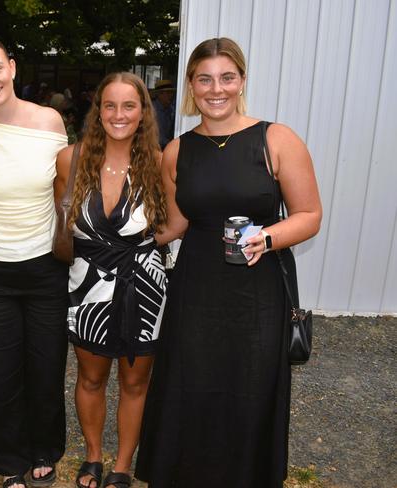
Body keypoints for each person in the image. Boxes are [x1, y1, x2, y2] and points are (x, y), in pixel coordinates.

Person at [134, 37, 322, 488]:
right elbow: (175, 223)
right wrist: (118, 236)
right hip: (196, 286)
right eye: (204, 79)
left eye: (226, 78)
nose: (215, 89)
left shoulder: (276, 138)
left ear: (241, 82)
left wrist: (268, 236)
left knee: (251, 386)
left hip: (258, 288)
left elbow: (310, 215)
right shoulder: (177, 150)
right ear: (191, 86)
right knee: (191, 380)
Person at [0, 36, 69, 488]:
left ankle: (45, 449)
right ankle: (8, 462)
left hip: (45, 267)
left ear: (12, 67)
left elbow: (68, 189)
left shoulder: (49, 121)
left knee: (46, 365)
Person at [56, 72, 167, 488]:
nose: (118, 115)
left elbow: (176, 222)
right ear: (97, 110)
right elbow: (61, 221)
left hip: (143, 284)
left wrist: (142, 248)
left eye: (129, 106)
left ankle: (122, 465)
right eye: (109, 105)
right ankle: (93, 456)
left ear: (143, 113)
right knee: (90, 376)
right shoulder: (71, 159)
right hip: (87, 285)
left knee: (135, 381)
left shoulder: (158, 163)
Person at [151, 79, 176, 149]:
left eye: (171, 93)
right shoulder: (153, 110)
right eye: (168, 92)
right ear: (159, 94)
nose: (171, 95)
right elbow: (159, 137)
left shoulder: (170, 109)